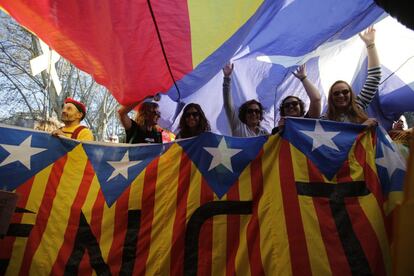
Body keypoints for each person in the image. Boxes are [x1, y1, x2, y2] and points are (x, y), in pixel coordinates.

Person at [322, 26, 381, 126]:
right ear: (331, 98)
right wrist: (363, 127)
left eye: (345, 92)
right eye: (336, 93)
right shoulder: (324, 119)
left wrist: (370, 45)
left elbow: (374, 77)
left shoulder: (359, 105)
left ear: (351, 94)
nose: (341, 95)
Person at [272, 64, 321, 134]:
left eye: (294, 104)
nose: (291, 106)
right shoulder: (276, 130)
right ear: (283, 111)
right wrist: (281, 130)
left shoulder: (309, 121)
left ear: (300, 107)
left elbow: (316, 99)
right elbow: (274, 144)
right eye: (287, 105)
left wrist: (303, 78)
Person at [223, 63, 269, 137]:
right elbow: (228, 105)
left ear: (260, 115)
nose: (254, 113)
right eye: (250, 111)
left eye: (257, 111)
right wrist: (227, 78)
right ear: (244, 114)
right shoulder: (238, 127)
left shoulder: (265, 134)